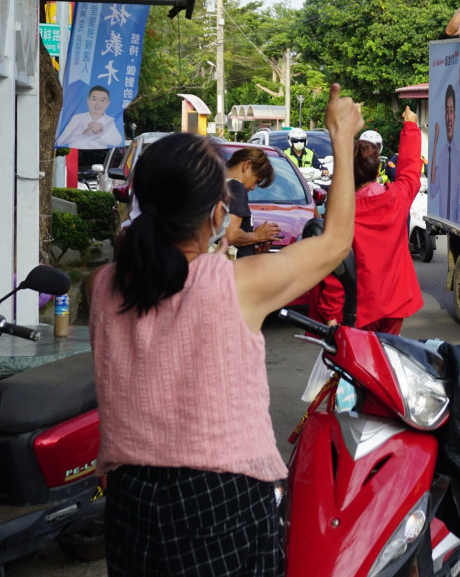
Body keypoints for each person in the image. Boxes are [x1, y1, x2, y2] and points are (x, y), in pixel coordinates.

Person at [88, 84, 362, 577]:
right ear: (216, 213)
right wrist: (341, 139)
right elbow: (337, 240)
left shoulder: (102, 285)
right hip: (220, 502)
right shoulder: (232, 285)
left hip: (128, 502)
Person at [309, 106, 424, 333]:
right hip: (394, 304)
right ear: (376, 168)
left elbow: (335, 270)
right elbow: (410, 174)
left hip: (356, 312)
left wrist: (332, 315)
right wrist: (410, 128)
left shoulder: (341, 214)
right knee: (384, 362)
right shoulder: (396, 198)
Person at [225, 147, 280, 258]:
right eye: (257, 180)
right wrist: (257, 236)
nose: (253, 187)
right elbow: (230, 235)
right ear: (247, 165)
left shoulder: (215, 185)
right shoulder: (236, 188)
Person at [430, 84, 460, 222]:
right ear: (445, 116)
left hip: (457, 228)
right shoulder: (441, 154)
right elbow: (432, 190)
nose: (449, 117)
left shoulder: (459, 155)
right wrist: (435, 143)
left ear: (455, 116)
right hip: (442, 225)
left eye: (452, 111)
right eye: (447, 111)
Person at [57, 84, 123, 148]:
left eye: (102, 100)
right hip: (76, 154)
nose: (98, 103)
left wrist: (101, 133)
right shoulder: (77, 118)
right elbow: (61, 140)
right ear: (88, 101)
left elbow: (117, 141)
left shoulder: (110, 120)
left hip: (101, 154)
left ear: (108, 104)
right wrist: (83, 132)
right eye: (94, 99)